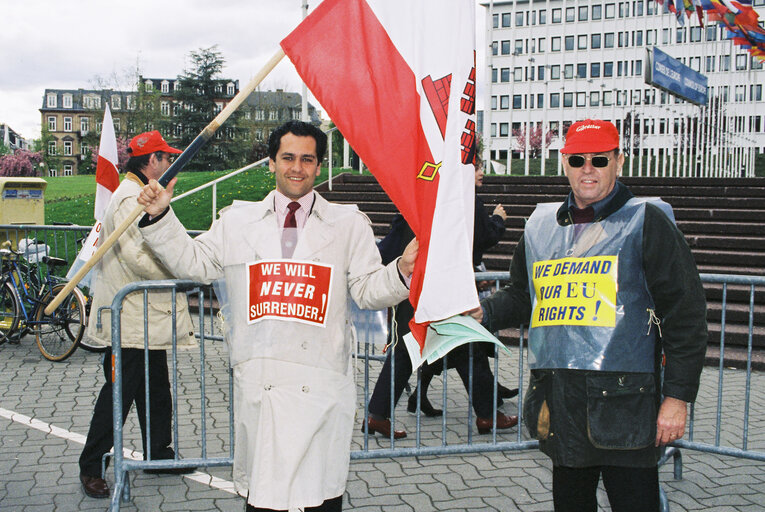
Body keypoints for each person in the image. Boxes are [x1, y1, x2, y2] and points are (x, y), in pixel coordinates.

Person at [136, 120, 416, 512]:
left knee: (321, 500)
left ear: (319, 166)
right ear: (271, 163)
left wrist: (401, 270)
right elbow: (195, 263)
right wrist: (161, 217)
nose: (297, 168)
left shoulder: (348, 223)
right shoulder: (237, 220)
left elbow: (368, 290)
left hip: (320, 388)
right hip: (262, 388)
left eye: (307, 159)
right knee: (264, 501)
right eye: (288, 158)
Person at [475, 119, 708, 512]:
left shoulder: (646, 221)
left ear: (618, 161)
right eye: (578, 159)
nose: (588, 168)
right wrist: (483, 312)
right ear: (563, 162)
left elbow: (685, 315)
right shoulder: (541, 227)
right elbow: (522, 294)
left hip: (626, 406)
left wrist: (677, 398)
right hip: (561, 401)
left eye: (599, 159)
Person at [79, 131, 197, 499]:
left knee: (156, 392)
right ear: (151, 162)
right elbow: (138, 256)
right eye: (166, 158)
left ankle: (158, 454)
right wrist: (181, 272)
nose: (169, 164)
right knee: (119, 394)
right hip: (129, 320)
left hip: (144, 319)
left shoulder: (137, 192)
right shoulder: (132, 197)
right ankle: (93, 466)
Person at [363, 162, 518, 439]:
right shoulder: (463, 199)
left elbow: (386, 248)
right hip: (446, 292)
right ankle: (488, 415)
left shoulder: (417, 200)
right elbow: (485, 236)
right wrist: (499, 220)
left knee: (404, 352)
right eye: (476, 166)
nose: (480, 172)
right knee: (470, 348)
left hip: (411, 294)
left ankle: (377, 415)